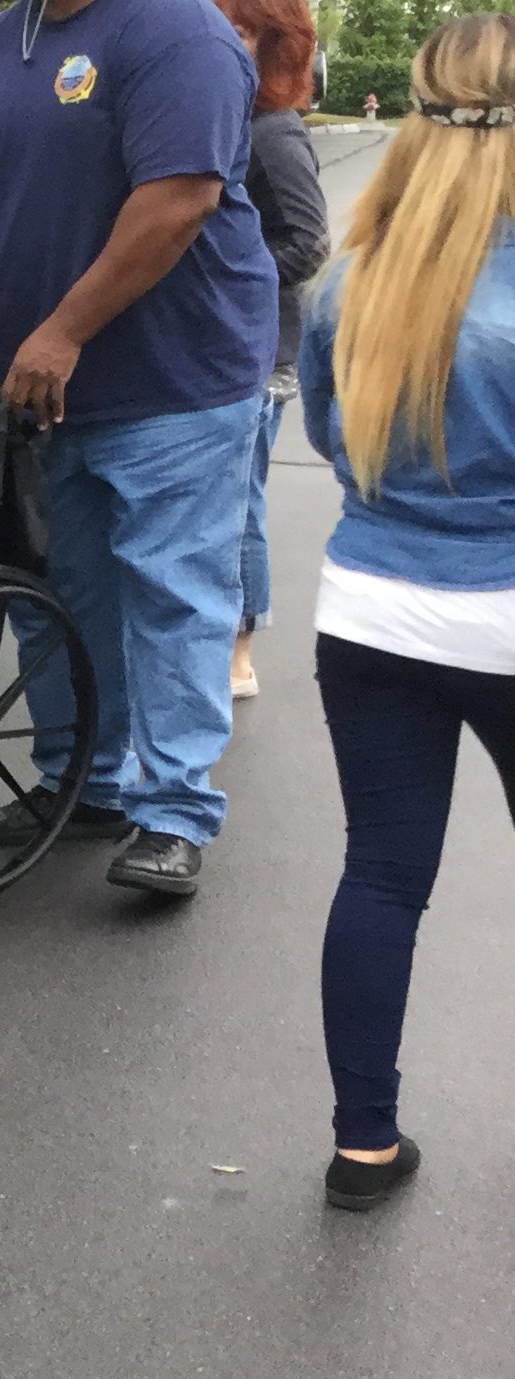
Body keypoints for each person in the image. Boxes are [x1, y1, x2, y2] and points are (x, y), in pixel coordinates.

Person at [0, 0, 279, 896]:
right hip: (37, 390)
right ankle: (85, 782)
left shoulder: (176, 33)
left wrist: (65, 330)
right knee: (54, 591)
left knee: (172, 591)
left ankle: (174, 812)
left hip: (175, 379)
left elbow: (180, 197)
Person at [297, 13, 515, 1210]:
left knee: (381, 873)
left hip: (372, 605)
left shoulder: (355, 273)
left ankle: (362, 1145)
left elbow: (336, 442)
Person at [215, 0, 331, 699]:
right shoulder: (228, 118)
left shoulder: (273, 130)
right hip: (224, 344)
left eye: (241, 30)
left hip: (261, 350)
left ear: (275, 46)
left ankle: (240, 650)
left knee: (240, 503)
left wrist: (228, 271)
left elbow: (310, 242)